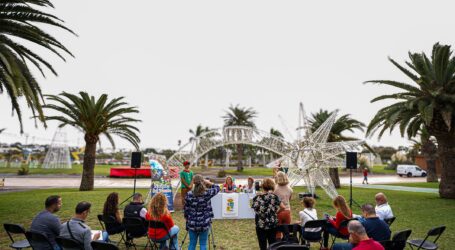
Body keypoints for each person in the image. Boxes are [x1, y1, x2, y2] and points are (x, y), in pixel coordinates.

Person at [184, 174, 220, 250]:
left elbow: (186, 210)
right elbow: (217, 187)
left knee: (192, 243)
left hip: (192, 223)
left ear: (193, 182)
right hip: (204, 223)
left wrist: (188, 220)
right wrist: (208, 182)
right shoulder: (207, 193)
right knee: (203, 244)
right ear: (203, 182)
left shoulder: (189, 194)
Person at [251, 178, 285, 250]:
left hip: (260, 224)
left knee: (262, 245)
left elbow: (255, 209)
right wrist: (275, 212)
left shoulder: (257, 197)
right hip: (272, 223)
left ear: (262, 186)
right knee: (272, 244)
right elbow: (283, 207)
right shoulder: (274, 197)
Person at [274, 171, 293, 239]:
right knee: (286, 230)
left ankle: (278, 245)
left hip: (278, 211)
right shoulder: (290, 189)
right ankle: (286, 244)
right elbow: (289, 199)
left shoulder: (275, 189)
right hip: (287, 211)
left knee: (278, 231)